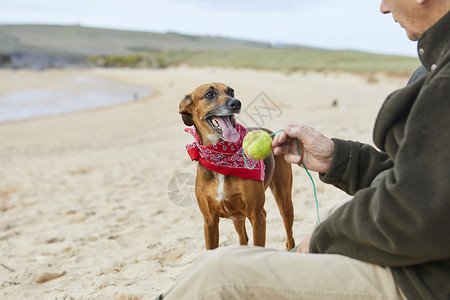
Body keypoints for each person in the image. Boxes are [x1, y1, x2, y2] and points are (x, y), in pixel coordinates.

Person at [158, 1, 450, 299]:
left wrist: (326, 235)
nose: (383, 7)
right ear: (189, 110)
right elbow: (420, 178)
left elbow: (419, 206)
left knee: (218, 273)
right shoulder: (435, 68)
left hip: (425, 278)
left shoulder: (444, 80)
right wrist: (339, 157)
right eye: (212, 96)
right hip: (416, 260)